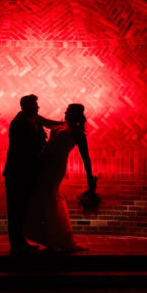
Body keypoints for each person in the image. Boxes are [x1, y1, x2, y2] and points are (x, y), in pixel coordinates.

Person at [24, 103, 97, 253]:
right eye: (66, 110)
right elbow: (46, 122)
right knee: (44, 198)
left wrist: (90, 180)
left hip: (55, 167)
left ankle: (59, 239)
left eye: (69, 111)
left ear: (76, 115)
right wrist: (31, 113)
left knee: (49, 198)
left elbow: (86, 159)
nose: (65, 112)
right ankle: (52, 238)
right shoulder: (61, 125)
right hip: (46, 164)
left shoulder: (78, 134)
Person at [3, 95, 63, 255]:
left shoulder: (34, 120)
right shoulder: (18, 123)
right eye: (35, 105)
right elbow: (23, 148)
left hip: (27, 173)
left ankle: (21, 241)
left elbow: (50, 124)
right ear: (26, 107)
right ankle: (16, 244)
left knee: (23, 209)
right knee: (16, 209)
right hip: (17, 173)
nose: (38, 108)